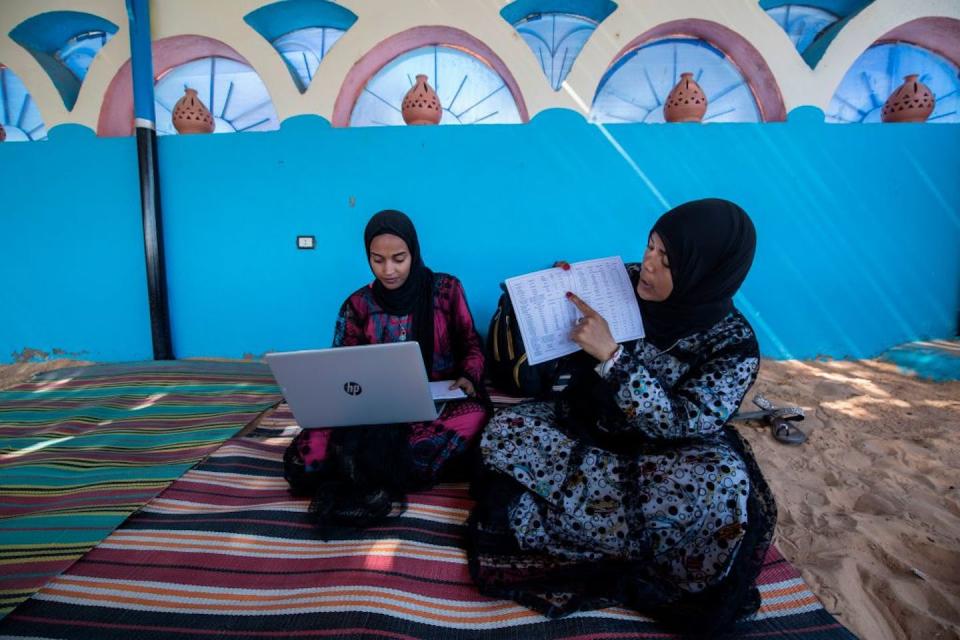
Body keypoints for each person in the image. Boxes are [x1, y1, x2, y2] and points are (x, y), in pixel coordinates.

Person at [467, 198, 776, 635]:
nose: (647, 265)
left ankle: (589, 530)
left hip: (665, 459)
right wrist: (558, 293)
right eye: (650, 247)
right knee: (505, 432)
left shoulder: (733, 346)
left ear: (703, 271)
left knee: (722, 487)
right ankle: (613, 531)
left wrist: (613, 357)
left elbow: (680, 422)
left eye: (666, 260)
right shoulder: (625, 280)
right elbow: (568, 332)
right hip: (590, 427)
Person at [284, 209, 489, 527]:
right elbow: (340, 369)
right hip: (373, 412)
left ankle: (364, 464)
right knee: (304, 460)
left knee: (475, 417)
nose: (389, 270)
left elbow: (471, 344)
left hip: (438, 403)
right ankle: (384, 463)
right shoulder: (358, 305)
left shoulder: (446, 290)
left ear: (414, 251)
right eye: (377, 260)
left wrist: (468, 377)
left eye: (399, 258)